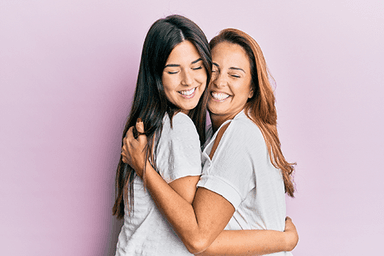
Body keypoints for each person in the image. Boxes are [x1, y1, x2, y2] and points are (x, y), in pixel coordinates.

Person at [116, 15, 297, 256]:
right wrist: (284, 242)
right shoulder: (210, 132)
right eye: (213, 70)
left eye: (235, 75)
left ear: (252, 88)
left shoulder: (240, 133)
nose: (220, 82)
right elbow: (198, 236)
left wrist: (285, 242)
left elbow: (198, 237)